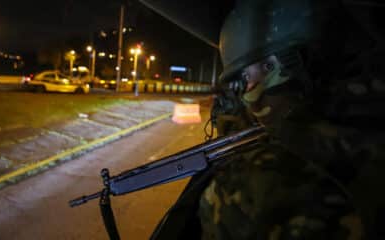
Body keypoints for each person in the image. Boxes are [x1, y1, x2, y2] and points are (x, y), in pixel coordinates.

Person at [149, 0, 385, 239]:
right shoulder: (363, 119)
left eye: (251, 76)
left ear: (291, 63)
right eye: (242, 81)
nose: (247, 92)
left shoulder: (271, 182)